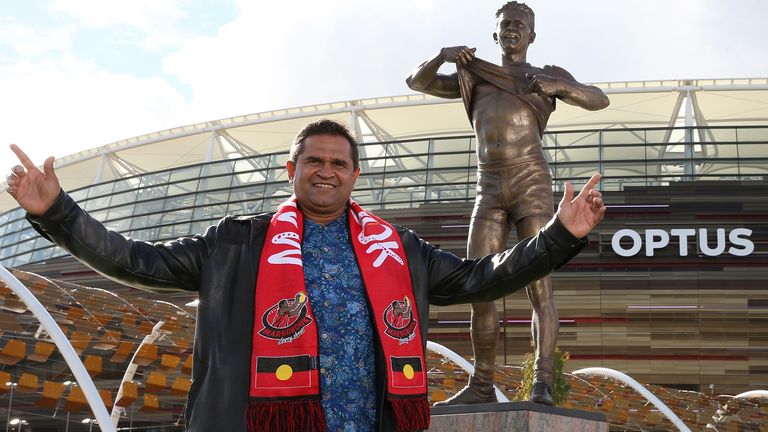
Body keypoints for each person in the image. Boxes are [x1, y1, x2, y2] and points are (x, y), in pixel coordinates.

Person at [6, 119, 605, 432]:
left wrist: (559, 234)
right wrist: (57, 211)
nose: (326, 171)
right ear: (291, 169)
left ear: (355, 175)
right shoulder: (236, 243)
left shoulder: (398, 249)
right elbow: (133, 261)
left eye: (338, 163)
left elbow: (483, 278)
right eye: (313, 161)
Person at [406, 1, 610, 406]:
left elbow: (598, 99)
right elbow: (417, 81)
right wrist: (442, 56)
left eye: (520, 25)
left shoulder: (545, 75)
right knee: (478, 286)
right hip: (489, 185)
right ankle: (482, 385)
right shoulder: (474, 73)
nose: (513, 29)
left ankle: (544, 383)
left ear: (532, 35)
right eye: (506, 25)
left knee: (540, 287)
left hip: (530, 181)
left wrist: (560, 88)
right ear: (495, 34)